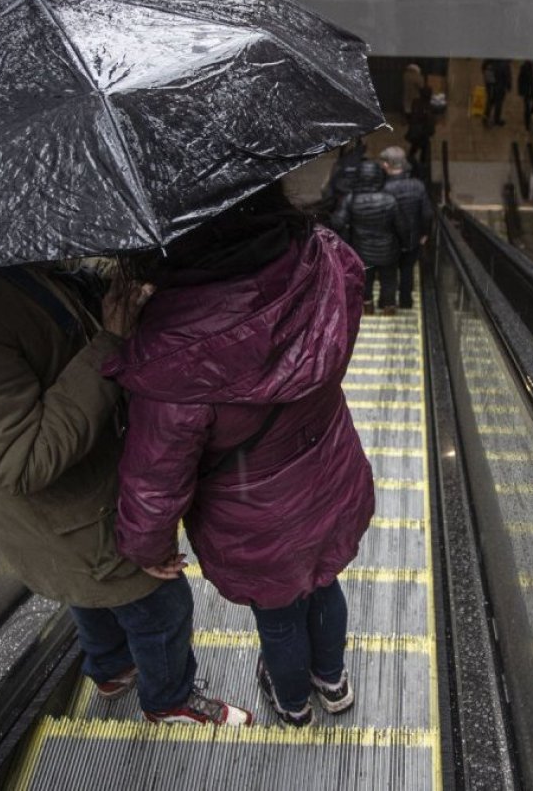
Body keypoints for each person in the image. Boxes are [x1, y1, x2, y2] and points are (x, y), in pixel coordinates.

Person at [0, 263, 252, 726]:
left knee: (89, 590)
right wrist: (110, 343)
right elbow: (22, 457)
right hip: (75, 511)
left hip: (86, 496)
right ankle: (168, 700)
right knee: (162, 603)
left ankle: (112, 668)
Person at [107, 186, 376, 728]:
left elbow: (155, 478)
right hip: (330, 466)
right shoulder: (324, 257)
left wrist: (146, 546)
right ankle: (333, 681)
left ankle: (294, 702)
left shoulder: (170, 345)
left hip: (253, 508)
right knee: (325, 581)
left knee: (279, 612)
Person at [333, 158, 411, 314]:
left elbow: (337, 222)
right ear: (379, 177)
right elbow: (402, 226)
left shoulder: (351, 199)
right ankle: (389, 308)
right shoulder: (389, 200)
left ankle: (367, 307)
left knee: (365, 281)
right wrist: (405, 245)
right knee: (389, 280)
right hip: (388, 250)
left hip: (361, 251)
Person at [378, 146, 433, 309]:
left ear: (387, 165)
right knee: (407, 270)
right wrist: (424, 233)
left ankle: (387, 302)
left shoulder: (383, 189)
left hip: (390, 241)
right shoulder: (418, 186)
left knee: (388, 272)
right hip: (413, 238)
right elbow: (427, 213)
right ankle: (406, 301)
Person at [405, 91, 435, 177]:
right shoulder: (425, 106)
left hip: (420, 133)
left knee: (417, 148)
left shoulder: (418, 103)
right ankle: (419, 167)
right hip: (421, 133)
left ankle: (416, 164)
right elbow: (428, 120)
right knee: (420, 149)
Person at [481, 59, 508, 126]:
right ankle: (486, 119)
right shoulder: (490, 61)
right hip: (492, 84)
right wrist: (490, 83)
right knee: (490, 101)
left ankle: (496, 119)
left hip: (500, 84)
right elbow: (484, 68)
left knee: (499, 103)